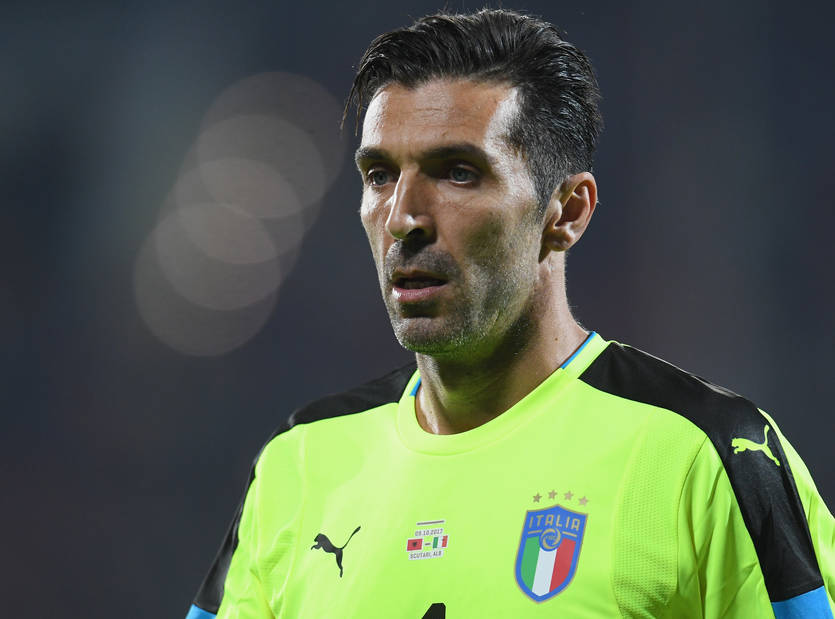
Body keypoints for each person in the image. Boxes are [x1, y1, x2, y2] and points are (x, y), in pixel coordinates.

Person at [185, 9, 834, 618]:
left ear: (567, 212)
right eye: (380, 174)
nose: (403, 217)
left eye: (457, 172)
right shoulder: (300, 460)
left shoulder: (707, 453)